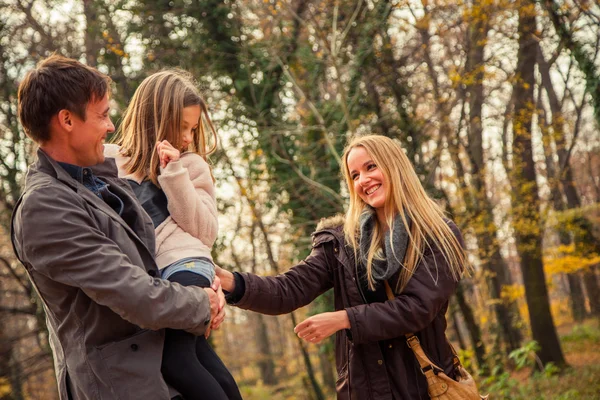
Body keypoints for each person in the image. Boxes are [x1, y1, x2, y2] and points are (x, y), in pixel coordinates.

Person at [11, 55, 225, 400]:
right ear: (67, 120)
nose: (111, 126)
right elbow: (132, 291)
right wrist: (201, 303)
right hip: (121, 386)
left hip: (157, 369)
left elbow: (155, 262)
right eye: (103, 115)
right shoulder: (45, 206)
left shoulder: (97, 181)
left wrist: (206, 291)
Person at [216, 134, 469, 400]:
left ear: (395, 165)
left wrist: (345, 319)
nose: (363, 180)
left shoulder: (437, 233)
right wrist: (230, 281)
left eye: (371, 167)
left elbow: (417, 308)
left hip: (424, 387)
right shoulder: (341, 241)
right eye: (355, 175)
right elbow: (288, 289)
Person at [104, 69, 242, 400]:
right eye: (182, 127)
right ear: (155, 118)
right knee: (200, 357)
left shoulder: (190, 165)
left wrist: (174, 174)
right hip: (155, 281)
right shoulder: (107, 160)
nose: (187, 138)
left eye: (193, 129)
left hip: (187, 267)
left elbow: (205, 232)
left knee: (176, 361)